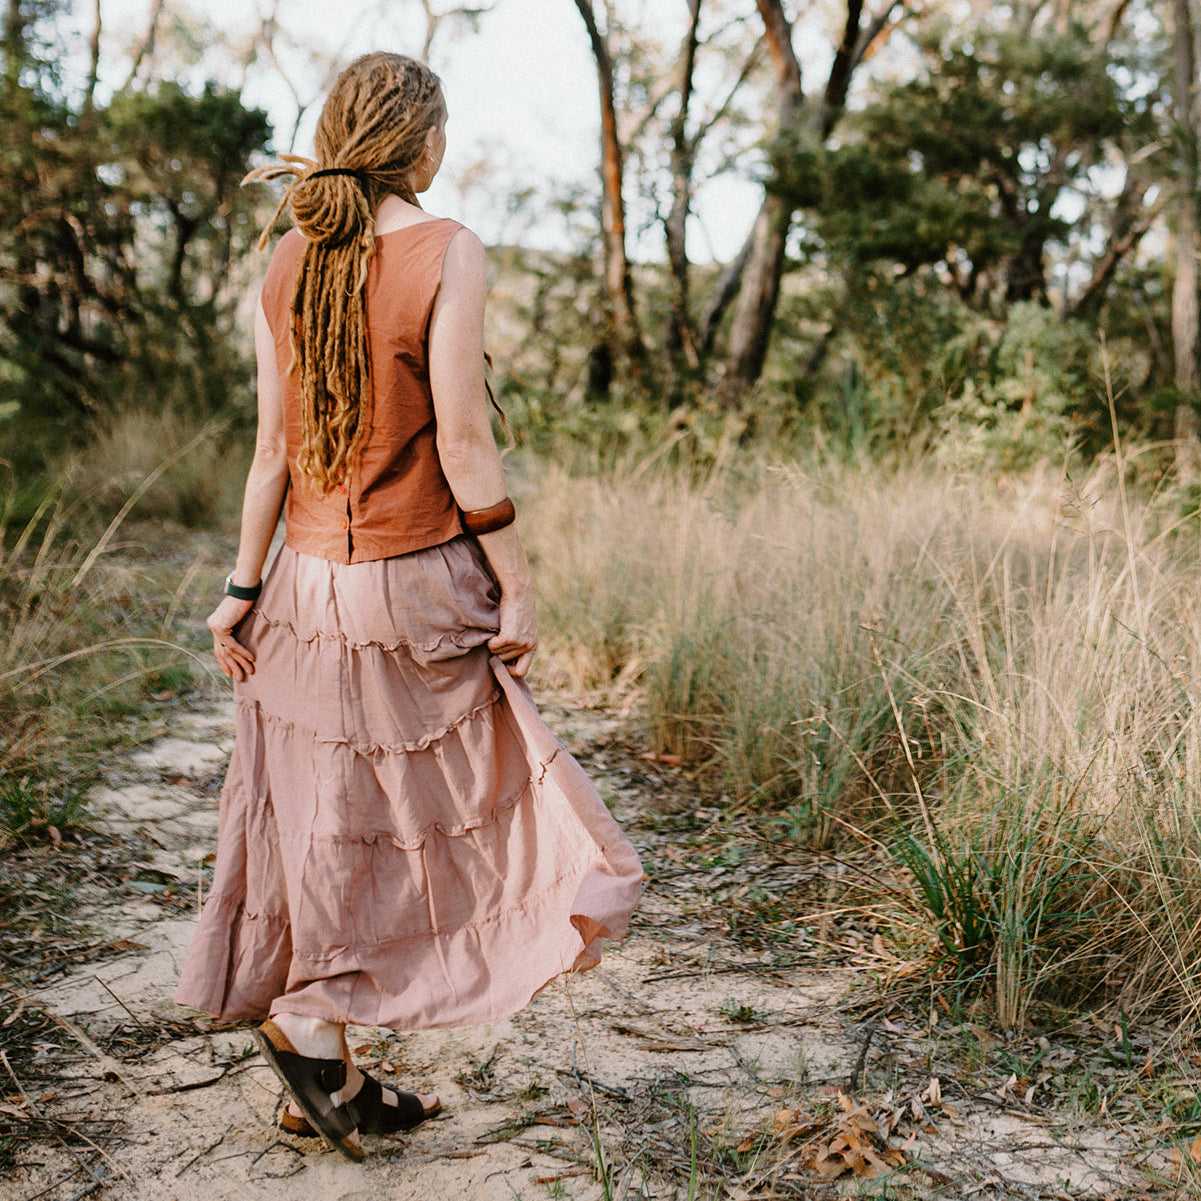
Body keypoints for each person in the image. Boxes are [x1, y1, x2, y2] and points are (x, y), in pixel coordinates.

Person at [174, 52, 644, 1161]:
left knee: (329, 813)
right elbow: (464, 443)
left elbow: (270, 453)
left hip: (302, 588)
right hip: (415, 581)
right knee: (475, 801)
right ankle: (314, 1019)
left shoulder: (287, 256)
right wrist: (516, 577)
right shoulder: (446, 249)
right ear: (419, 142)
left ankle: (323, 1059)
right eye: (441, 130)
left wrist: (241, 589)